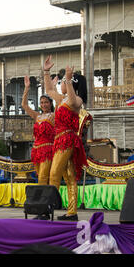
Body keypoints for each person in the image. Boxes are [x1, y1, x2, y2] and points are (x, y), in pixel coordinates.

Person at [43, 55, 88, 221]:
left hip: (67, 139)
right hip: (60, 140)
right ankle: (72, 212)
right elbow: (49, 91)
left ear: (71, 82)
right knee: (69, 177)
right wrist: (46, 72)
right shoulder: (62, 100)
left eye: (64, 80)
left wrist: (68, 80)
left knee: (54, 173)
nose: (61, 82)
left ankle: (47, 209)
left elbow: (74, 100)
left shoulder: (76, 100)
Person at [22, 75, 56, 220]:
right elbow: (24, 105)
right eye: (42, 102)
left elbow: (61, 105)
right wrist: (27, 88)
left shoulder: (54, 116)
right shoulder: (37, 116)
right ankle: (43, 209)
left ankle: (43, 211)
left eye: (46, 102)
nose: (43, 104)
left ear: (50, 103)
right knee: (40, 178)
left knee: (43, 178)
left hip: (48, 149)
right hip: (36, 151)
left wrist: (53, 89)